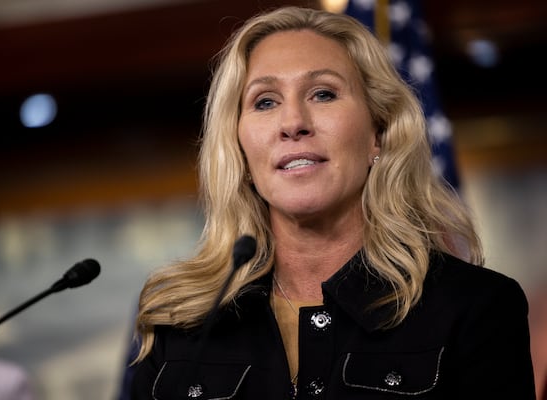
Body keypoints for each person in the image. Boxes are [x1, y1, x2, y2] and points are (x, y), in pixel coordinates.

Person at [130, 6, 536, 399]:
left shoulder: (474, 308)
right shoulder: (179, 324)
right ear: (239, 150)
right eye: (265, 101)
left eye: (323, 94)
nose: (293, 123)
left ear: (378, 133)